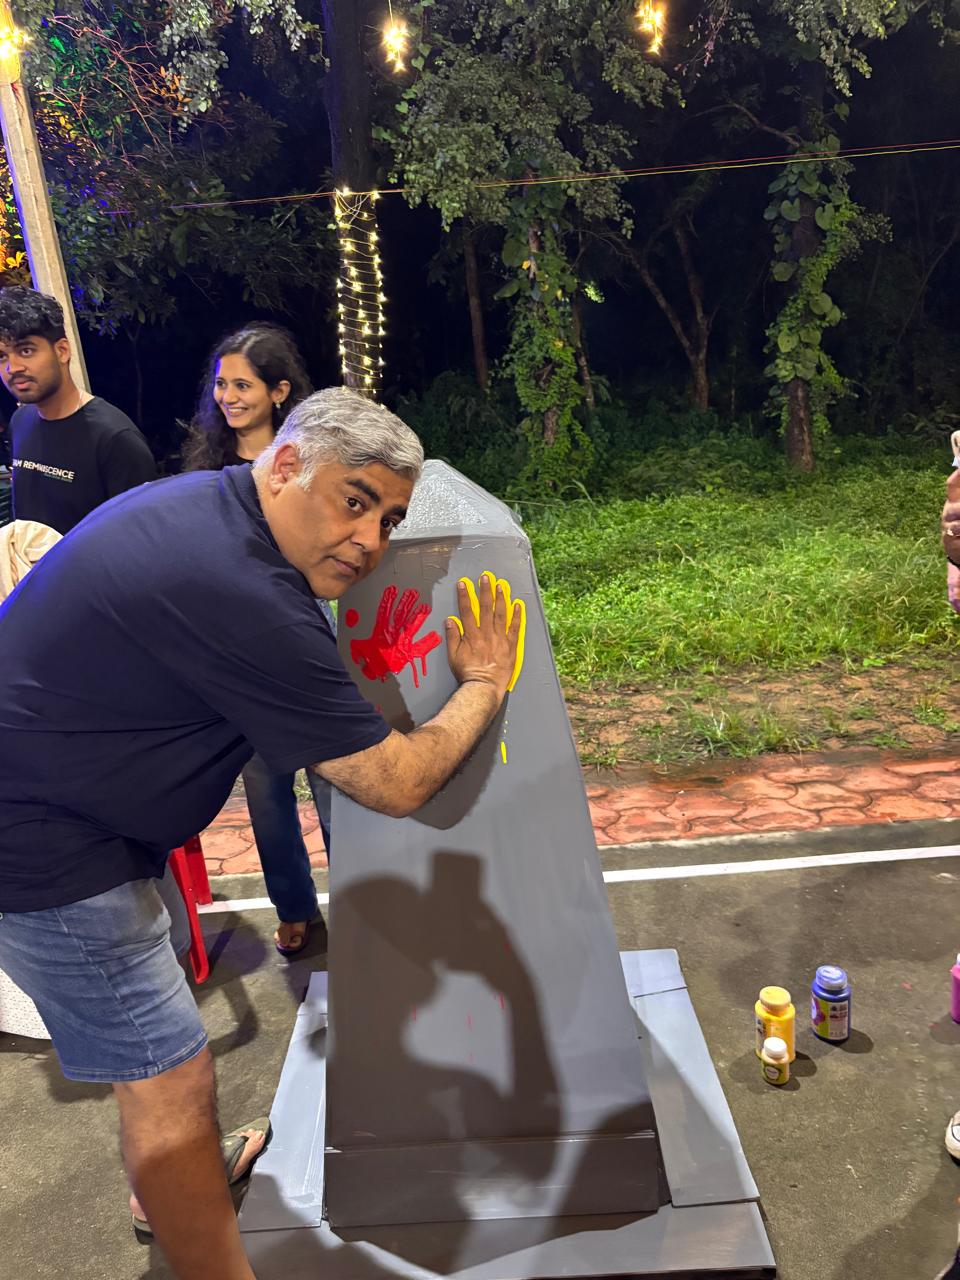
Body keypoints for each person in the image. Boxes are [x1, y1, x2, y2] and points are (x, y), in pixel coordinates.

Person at [0, 387, 522, 1280]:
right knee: (171, 1077)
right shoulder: (241, 589)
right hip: (45, 842)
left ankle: (175, 1180)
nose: (370, 540)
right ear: (283, 467)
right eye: (354, 501)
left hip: (76, 806)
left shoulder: (211, 510)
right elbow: (396, 781)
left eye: (389, 520)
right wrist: (482, 683)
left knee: (153, 1056)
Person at [184, 324, 331, 955]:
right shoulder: (208, 468)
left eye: (242, 385)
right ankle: (295, 906)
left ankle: (366, 897)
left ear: (279, 391)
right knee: (266, 792)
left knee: (336, 779)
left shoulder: (309, 463)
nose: (228, 397)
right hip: (241, 649)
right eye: (221, 385)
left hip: (310, 634)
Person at [0, 286, 155, 534]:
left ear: (62, 351)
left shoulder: (115, 439)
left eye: (25, 350)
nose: (13, 367)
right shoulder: (20, 421)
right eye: (2, 356)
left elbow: (139, 539)